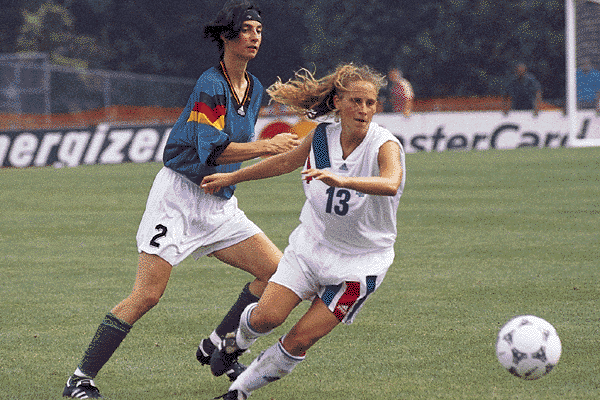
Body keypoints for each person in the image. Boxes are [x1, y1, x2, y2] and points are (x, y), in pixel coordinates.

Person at [62, 1, 301, 398]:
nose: (255, 36)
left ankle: (218, 348)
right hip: (178, 198)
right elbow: (210, 149)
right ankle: (80, 379)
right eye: (246, 29)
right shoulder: (211, 84)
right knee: (148, 296)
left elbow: (234, 151)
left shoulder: (255, 88)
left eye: (259, 30)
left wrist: (274, 152)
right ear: (227, 36)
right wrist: (266, 147)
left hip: (219, 201)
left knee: (277, 274)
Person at [200, 63, 406, 400]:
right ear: (338, 101)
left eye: (370, 103)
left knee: (299, 339)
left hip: (361, 264)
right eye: (356, 101)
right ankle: (235, 342)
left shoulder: (385, 144)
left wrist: (345, 180)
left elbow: (391, 181)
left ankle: (238, 392)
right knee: (266, 318)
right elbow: (284, 162)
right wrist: (230, 177)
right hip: (311, 246)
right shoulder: (322, 135)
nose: (364, 110)